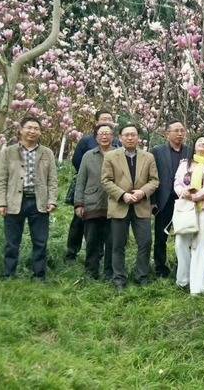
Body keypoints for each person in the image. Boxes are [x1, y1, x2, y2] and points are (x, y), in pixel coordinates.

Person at [0, 116, 58, 280]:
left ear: (40, 132)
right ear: (21, 130)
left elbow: (52, 179)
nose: (32, 131)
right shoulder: (8, 152)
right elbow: (1, 179)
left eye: (36, 128)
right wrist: (1, 203)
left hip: (39, 202)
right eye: (29, 127)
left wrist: (52, 200)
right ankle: (9, 274)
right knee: (12, 242)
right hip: (14, 202)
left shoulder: (47, 153)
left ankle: (39, 275)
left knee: (40, 242)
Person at [101, 123, 159, 292]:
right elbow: (105, 180)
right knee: (118, 244)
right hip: (120, 205)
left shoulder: (148, 157)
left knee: (145, 242)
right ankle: (119, 278)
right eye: (126, 135)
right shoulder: (111, 156)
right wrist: (123, 195)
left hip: (141, 206)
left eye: (133, 134)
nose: (130, 137)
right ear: (120, 137)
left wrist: (142, 192)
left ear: (138, 137)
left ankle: (142, 276)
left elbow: (154, 180)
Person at [65, 110, 117, 262]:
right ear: (96, 123)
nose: (106, 122)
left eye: (109, 119)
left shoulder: (118, 147)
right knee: (80, 225)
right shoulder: (87, 142)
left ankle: (104, 261)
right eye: (103, 119)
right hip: (90, 193)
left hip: (110, 197)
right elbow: (77, 163)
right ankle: (72, 253)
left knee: (107, 231)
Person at [172, 136, 204, 295]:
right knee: (180, 242)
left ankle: (198, 286)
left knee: (200, 245)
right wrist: (182, 192)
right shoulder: (184, 164)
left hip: (203, 208)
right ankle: (183, 280)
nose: (202, 143)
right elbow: (177, 182)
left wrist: (195, 196)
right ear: (194, 146)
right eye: (200, 141)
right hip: (185, 207)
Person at [74, 123, 116, 280]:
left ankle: (109, 273)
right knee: (92, 241)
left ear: (113, 136)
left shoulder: (119, 154)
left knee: (112, 242)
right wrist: (79, 203)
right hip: (92, 203)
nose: (104, 136)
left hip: (114, 204)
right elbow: (80, 181)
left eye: (107, 133)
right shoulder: (88, 156)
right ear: (96, 137)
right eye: (101, 134)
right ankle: (91, 272)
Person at [151, 120, 193, 278]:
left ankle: (183, 267)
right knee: (161, 236)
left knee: (186, 234)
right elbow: (152, 176)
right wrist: (153, 201)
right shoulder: (157, 151)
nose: (180, 134)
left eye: (182, 130)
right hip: (164, 199)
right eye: (176, 131)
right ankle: (160, 267)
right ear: (167, 133)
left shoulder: (190, 151)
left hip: (185, 199)